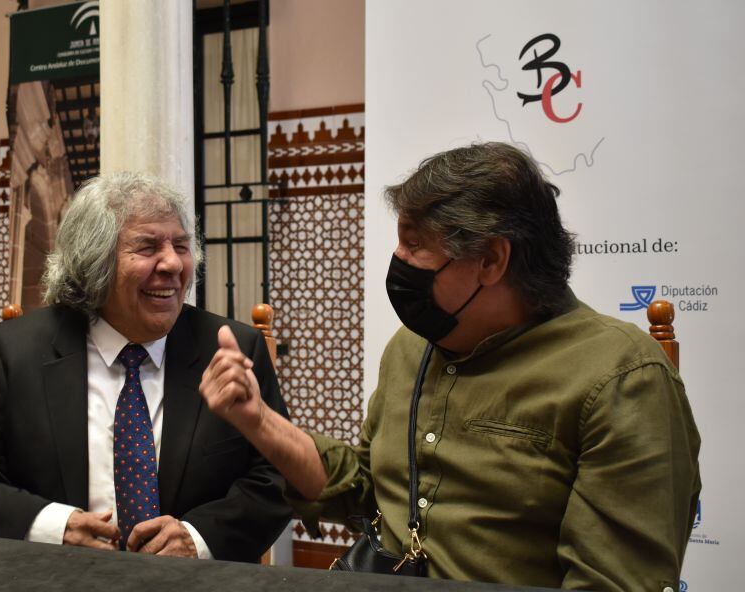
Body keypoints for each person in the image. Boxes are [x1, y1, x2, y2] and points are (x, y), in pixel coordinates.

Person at [200, 142, 701, 590]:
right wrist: (257, 419)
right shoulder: (410, 347)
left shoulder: (622, 379)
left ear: (491, 260)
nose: (397, 259)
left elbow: (614, 581)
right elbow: (366, 489)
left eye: (415, 243)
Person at [0, 172, 291, 561]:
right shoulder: (13, 352)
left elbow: (275, 479)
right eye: (147, 247)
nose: (173, 263)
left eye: (181, 245)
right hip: (56, 579)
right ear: (95, 261)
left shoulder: (233, 349)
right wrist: (56, 528)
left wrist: (198, 538)